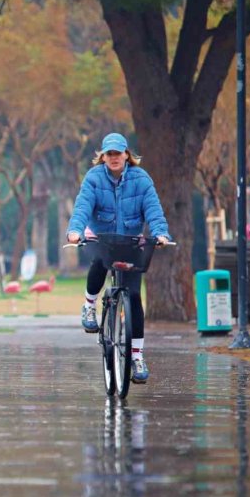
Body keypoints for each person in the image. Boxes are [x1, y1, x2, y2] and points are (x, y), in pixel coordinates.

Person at [66, 132, 170, 384]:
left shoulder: (141, 179)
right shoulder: (93, 178)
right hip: (103, 238)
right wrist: (74, 230)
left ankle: (137, 357)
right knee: (98, 261)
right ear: (103, 156)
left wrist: (160, 233)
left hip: (131, 242)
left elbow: (153, 209)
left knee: (134, 296)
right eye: (109, 154)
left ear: (126, 155)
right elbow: (82, 207)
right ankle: (89, 305)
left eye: (118, 153)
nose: (114, 158)